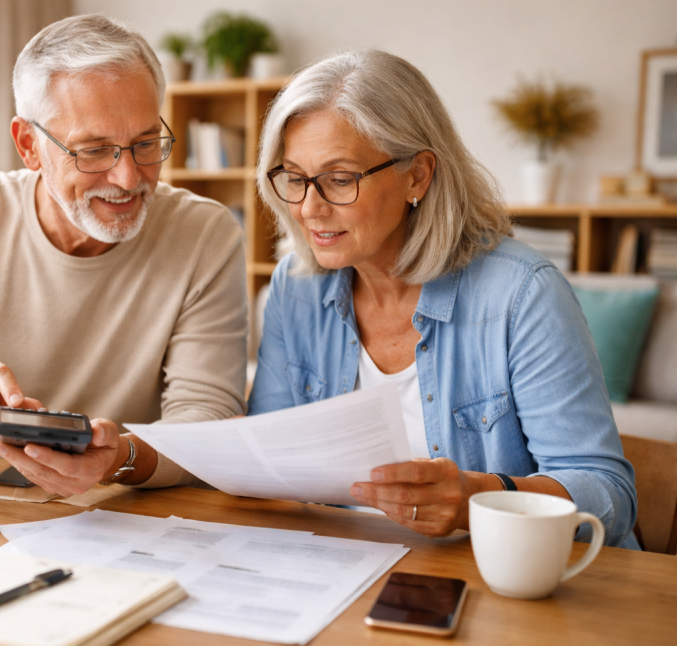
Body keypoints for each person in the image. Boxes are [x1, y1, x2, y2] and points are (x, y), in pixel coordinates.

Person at [247, 50, 637, 549]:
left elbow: (610, 493)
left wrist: (480, 498)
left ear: (418, 175)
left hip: (506, 579)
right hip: (351, 571)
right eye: (295, 178)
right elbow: (268, 457)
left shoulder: (522, 292)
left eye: (340, 179)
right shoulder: (294, 288)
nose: (309, 208)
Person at [0, 15, 247, 495]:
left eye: (145, 143)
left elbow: (209, 422)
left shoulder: (205, 233)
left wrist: (118, 458)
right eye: (94, 150)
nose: (128, 178)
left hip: (131, 517)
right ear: (28, 144)